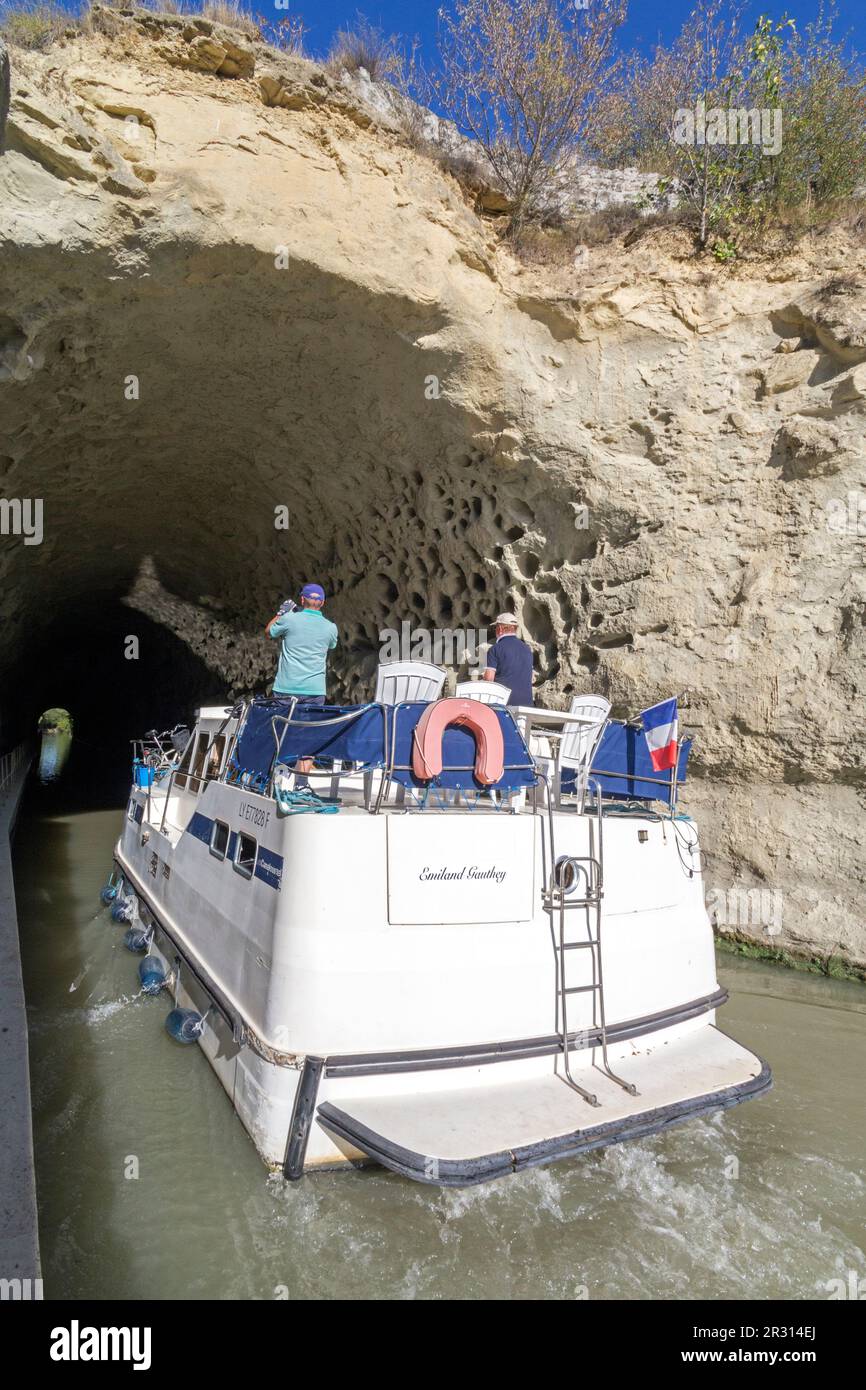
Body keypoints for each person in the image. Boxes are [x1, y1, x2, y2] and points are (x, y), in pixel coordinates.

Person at [264, 582, 338, 785]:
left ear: (302, 600)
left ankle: (277, 780)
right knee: (308, 735)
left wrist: (282, 612)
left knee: (282, 732)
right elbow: (332, 644)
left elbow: (269, 631)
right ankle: (301, 784)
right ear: (322, 603)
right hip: (314, 690)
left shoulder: (289, 619)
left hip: (285, 689)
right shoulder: (331, 628)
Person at [484, 612, 533, 706]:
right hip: (527, 704)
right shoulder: (527, 649)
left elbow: (488, 681)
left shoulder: (495, 649)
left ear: (500, 629)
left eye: (495, 627)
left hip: (504, 703)